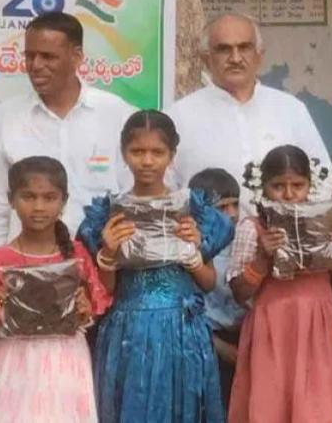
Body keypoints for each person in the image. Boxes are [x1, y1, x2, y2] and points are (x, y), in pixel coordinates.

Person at [77, 110, 234, 423]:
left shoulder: (194, 211)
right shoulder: (107, 215)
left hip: (182, 331)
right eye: (138, 151)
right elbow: (107, 290)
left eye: (157, 152)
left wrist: (192, 252)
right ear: (123, 154)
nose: (147, 161)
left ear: (172, 155)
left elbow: (208, 282)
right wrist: (107, 253)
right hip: (127, 332)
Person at [0, 11, 135, 248]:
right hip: (27, 270)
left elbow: (132, 197)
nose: (36, 65)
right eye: (30, 56)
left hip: (101, 267)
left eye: (48, 56)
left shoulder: (117, 114)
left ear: (76, 57)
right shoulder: (6, 118)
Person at [0, 156, 110, 423]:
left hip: (66, 361)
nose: (38, 207)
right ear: (11, 200)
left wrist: (84, 309)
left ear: (64, 200)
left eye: (49, 197)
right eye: (28, 197)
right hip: (14, 362)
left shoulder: (78, 255)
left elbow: (95, 308)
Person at [226, 145, 332, 423]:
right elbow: (239, 292)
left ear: (310, 185)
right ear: (262, 187)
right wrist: (262, 258)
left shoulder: (327, 225)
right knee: (271, 405)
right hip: (273, 330)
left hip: (317, 329)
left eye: (297, 185)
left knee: (317, 408)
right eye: (278, 186)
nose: (288, 194)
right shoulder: (254, 227)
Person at [169, 13, 332, 215]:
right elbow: (165, 189)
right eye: (224, 49)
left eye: (244, 47)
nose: (235, 58)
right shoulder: (179, 116)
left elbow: (323, 178)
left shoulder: (290, 109)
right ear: (206, 58)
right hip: (207, 244)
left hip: (283, 241)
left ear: (259, 54)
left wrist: (293, 228)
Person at [188, 168, 245, 414]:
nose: (231, 214)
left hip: (247, 340)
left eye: (235, 205)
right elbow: (188, 312)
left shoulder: (246, 243)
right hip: (206, 344)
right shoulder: (191, 252)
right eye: (222, 208)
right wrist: (220, 348)